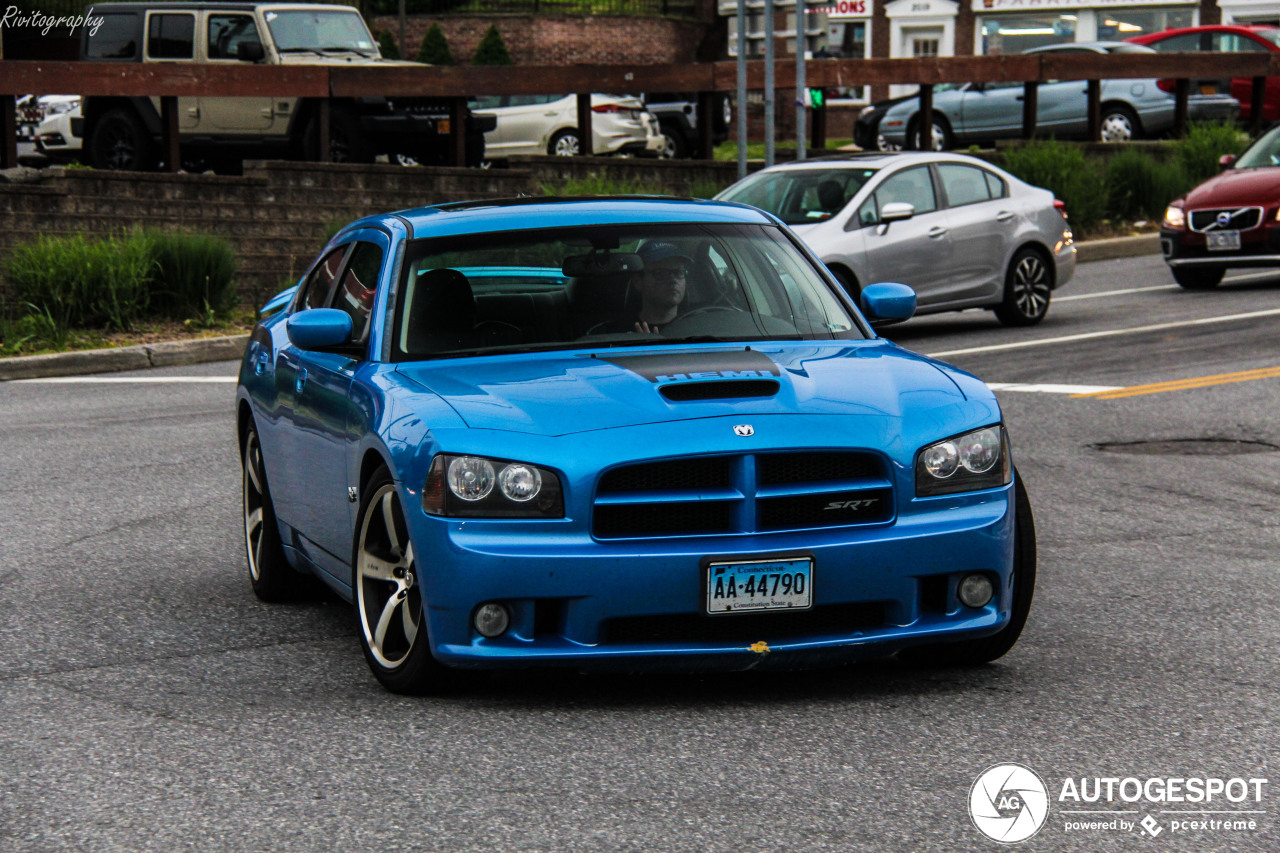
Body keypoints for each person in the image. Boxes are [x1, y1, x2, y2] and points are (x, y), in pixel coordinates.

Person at [615, 241, 694, 334]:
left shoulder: (699, 327)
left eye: (679, 273)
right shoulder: (619, 334)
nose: (673, 280)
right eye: (660, 273)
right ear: (638, 282)